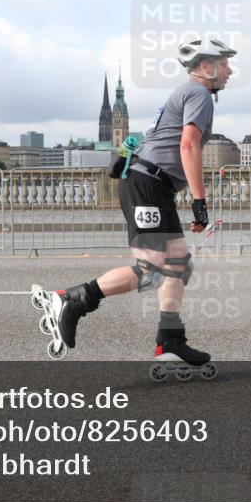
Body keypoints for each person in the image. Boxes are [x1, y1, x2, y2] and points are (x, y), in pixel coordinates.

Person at [39, 38, 236, 377]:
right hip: (148, 185)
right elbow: (189, 146)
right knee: (151, 269)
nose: (230, 70)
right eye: (224, 63)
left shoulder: (189, 94)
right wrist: (200, 202)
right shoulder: (199, 95)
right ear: (206, 67)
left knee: (177, 265)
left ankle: (170, 341)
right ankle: (72, 299)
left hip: (152, 184)